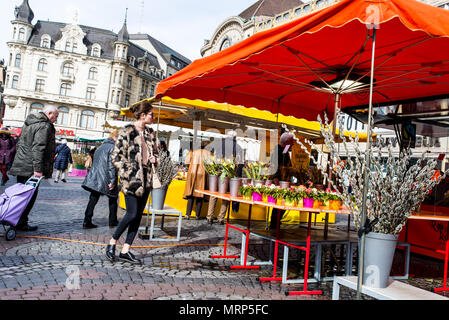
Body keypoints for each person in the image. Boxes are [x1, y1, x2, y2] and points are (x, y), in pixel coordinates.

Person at [106, 101, 158, 264]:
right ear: (143, 115)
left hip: (147, 179)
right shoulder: (127, 131)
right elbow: (115, 157)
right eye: (151, 114)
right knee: (131, 213)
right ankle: (112, 242)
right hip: (131, 180)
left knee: (137, 217)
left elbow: (157, 153)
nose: (153, 117)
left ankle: (126, 250)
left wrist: (154, 158)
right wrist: (127, 170)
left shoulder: (150, 133)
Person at [9, 105, 58, 231]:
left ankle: (15, 219)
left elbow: (21, 143)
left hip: (22, 163)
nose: (56, 119)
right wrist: (38, 169)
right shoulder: (44, 125)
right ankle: (21, 222)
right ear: (50, 113)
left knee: (20, 195)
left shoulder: (29, 122)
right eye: (56, 116)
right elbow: (38, 147)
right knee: (29, 196)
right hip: (31, 167)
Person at [81, 130, 119, 229]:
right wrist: (113, 181)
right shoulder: (113, 148)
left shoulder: (100, 147)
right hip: (106, 177)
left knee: (93, 199)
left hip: (95, 177)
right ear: (116, 137)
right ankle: (112, 221)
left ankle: (87, 220)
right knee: (113, 199)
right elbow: (112, 166)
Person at [206, 131, 244, 225]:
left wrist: (213, 168)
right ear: (235, 138)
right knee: (226, 196)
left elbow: (211, 156)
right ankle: (221, 218)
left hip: (217, 172)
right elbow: (240, 164)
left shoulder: (218, 144)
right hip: (230, 173)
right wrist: (236, 176)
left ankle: (209, 216)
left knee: (214, 193)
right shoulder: (238, 147)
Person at [269, 132, 295, 229]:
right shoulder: (277, 150)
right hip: (278, 182)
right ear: (287, 141)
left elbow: (288, 166)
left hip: (284, 182)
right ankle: (274, 225)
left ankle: (275, 224)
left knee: (282, 205)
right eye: (291, 142)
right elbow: (273, 166)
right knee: (278, 205)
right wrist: (276, 179)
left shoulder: (285, 151)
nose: (293, 144)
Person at [183, 141, 211, 220]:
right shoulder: (208, 153)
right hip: (203, 174)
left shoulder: (193, 152)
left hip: (192, 173)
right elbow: (211, 165)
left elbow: (187, 162)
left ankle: (187, 214)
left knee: (190, 194)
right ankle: (197, 215)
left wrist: (191, 167)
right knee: (200, 196)